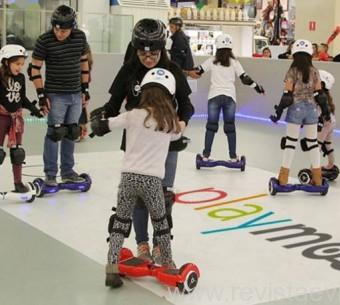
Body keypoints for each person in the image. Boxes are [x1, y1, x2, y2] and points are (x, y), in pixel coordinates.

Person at [95, 19, 194, 262]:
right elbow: (113, 104)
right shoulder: (129, 69)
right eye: (142, 53)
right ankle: (142, 244)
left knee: (162, 196)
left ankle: (162, 246)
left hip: (165, 141)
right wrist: (99, 120)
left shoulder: (173, 71)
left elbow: (188, 106)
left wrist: (180, 126)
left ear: (162, 49)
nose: (148, 58)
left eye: (154, 54)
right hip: (136, 141)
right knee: (138, 197)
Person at [91, 68, 182, 288]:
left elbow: (106, 125)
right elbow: (179, 136)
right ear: (169, 95)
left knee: (120, 223)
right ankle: (168, 265)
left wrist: (96, 122)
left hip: (129, 178)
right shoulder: (169, 121)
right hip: (152, 181)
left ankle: (111, 270)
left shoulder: (132, 115)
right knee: (160, 224)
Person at [29, 5, 90, 186]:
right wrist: (41, 95)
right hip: (55, 95)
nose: (59, 33)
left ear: (72, 27)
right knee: (55, 133)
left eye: (64, 30)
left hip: (76, 94)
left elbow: (84, 62)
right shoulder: (44, 40)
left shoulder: (79, 37)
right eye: (56, 29)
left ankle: (68, 172)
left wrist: (85, 88)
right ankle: (50, 174)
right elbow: (34, 69)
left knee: (71, 132)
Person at [188, 34, 265, 162]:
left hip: (214, 96)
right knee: (230, 127)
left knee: (211, 126)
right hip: (230, 97)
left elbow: (198, 71)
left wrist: (186, 71)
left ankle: (206, 156)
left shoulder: (212, 60)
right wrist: (257, 87)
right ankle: (233, 157)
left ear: (217, 46)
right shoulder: (235, 62)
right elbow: (245, 79)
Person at [0, 44, 43, 196]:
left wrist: (35, 110)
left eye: (22, 64)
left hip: (16, 119)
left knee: (17, 152)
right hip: (1, 118)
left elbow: (22, 99)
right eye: (17, 64)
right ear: (7, 62)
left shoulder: (21, 78)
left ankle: (18, 183)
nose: (20, 67)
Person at [269, 39, 331, 187]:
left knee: (290, 143)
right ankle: (317, 179)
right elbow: (320, 95)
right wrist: (326, 112)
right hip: (311, 109)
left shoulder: (292, 71)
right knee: (313, 144)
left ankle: (283, 178)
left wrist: (277, 113)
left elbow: (287, 96)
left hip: (295, 108)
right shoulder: (315, 71)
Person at [317, 70, 337, 172]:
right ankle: (331, 164)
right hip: (331, 122)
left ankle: (314, 169)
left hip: (325, 123)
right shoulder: (325, 95)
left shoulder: (319, 96)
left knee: (317, 145)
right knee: (328, 143)